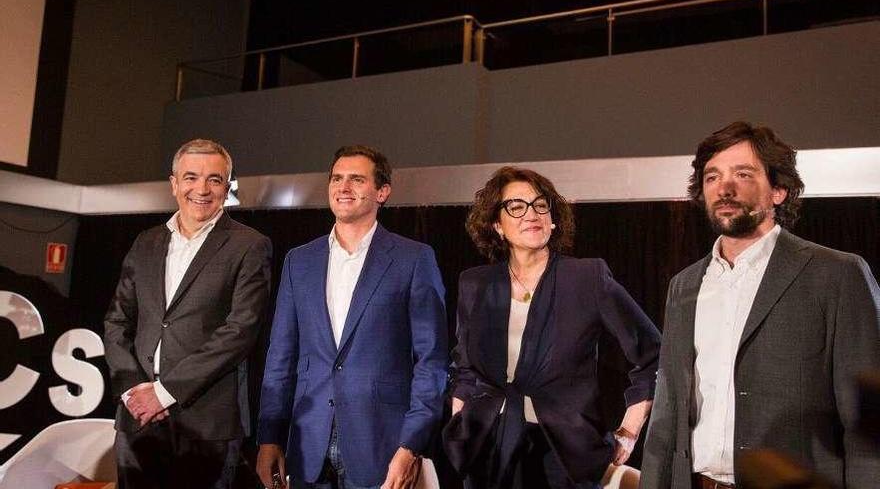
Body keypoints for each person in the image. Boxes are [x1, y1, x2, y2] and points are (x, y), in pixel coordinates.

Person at [639, 121, 880, 489]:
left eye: (743, 174)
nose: (725, 187)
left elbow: (869, 426)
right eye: (712, 177)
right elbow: (667, 418)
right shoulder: (683, 286)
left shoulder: (837, 275)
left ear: (779, 190)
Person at [443, 166, 661, 489]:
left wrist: (629, 430)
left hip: (564, 455)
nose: (531, 214)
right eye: (516, 207)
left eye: (540, 204)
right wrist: (459, 423)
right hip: (485, 448)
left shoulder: (587, 278)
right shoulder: (476, 284)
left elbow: (653, 354)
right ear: (496, 225)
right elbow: (464, 368)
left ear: (553, 219)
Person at [256, 145, 448, 489]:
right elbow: (280, 357)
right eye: (337, 178)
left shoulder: (414, 259)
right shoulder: (298, 261)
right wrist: (269, 437)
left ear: (382, 192)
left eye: (356, 179)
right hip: (307, 445)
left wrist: (411, 444)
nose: (343, 187)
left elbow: (431, 362)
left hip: (383, 446)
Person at [103, 139, 273, 488]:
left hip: (207, 426)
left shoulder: (250, 245)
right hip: (138, 421)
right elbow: (117, 321)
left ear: (227, 188)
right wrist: (135, 389)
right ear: (174, 183)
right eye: (191, 177)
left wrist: (164, 392)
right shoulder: (145, 242)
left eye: (214, 179)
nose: (202, 189)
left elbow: (241, 330)